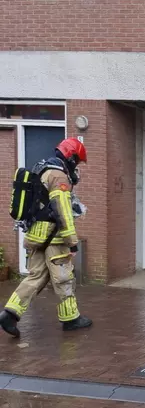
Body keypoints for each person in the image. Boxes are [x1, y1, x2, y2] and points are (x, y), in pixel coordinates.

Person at [0, 138, 93, 338]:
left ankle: (10, 314)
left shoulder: (42, 168)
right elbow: (62, 209)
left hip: (37, 234)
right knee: (64, 278)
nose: (76, 165)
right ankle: (71, 319)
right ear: (71, 156)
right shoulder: (59, 175)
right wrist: (72, 239)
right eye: (76, 161)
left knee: (36, 276)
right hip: (54, 237)